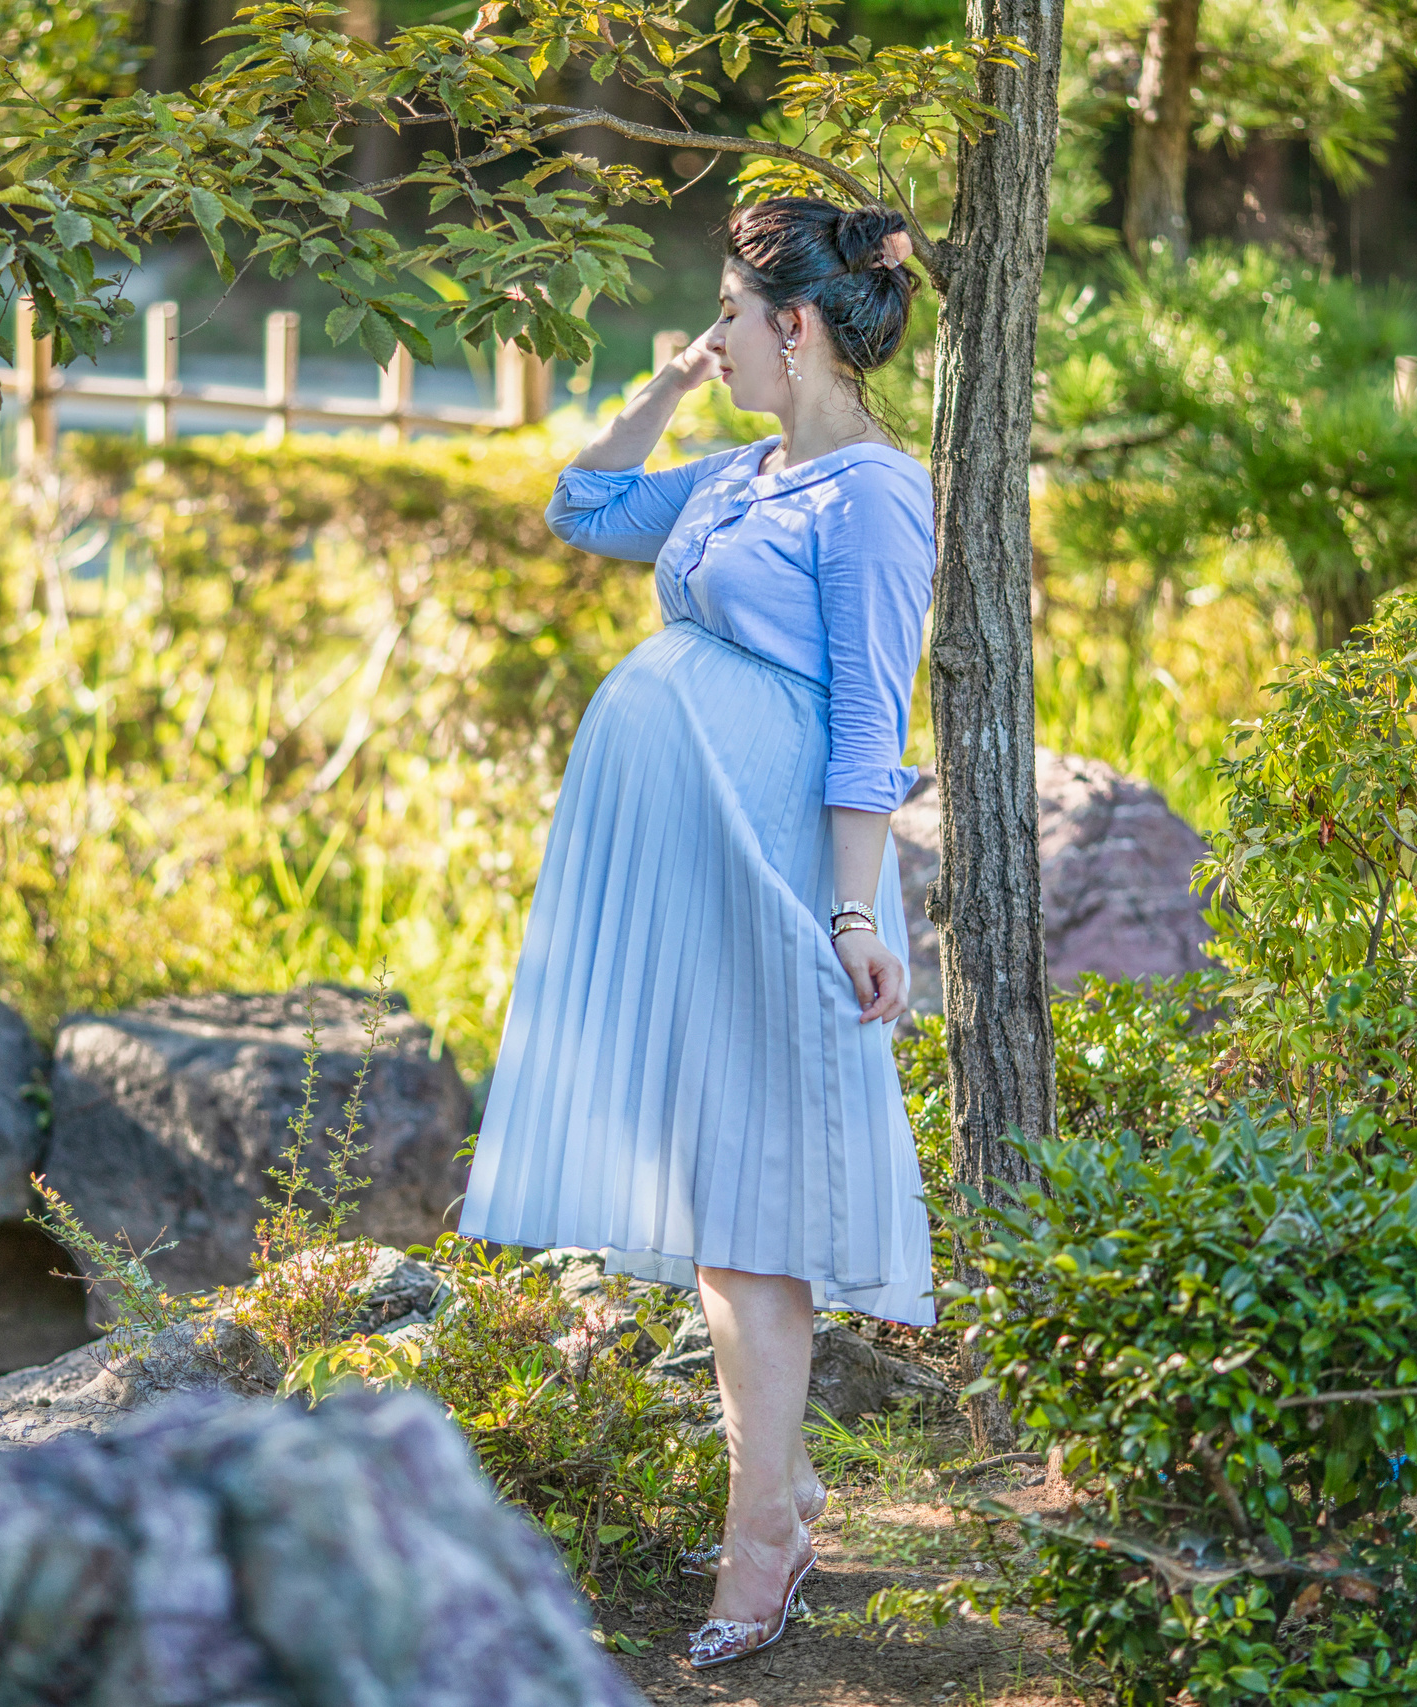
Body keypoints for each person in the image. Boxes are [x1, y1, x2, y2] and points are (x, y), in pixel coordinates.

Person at [456, 196, 936, 1670]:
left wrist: (855, 910)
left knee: (758, 1212)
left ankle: (765, 1541)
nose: (714, 338)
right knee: (725, 1211)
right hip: (693, 883)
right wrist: (666, 384)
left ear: (796, 327)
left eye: (729, 316)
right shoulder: (737, 475)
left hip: (779, 873)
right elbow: (583, 507)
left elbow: (870, 719)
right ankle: (776, 1493)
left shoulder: (872, 495)